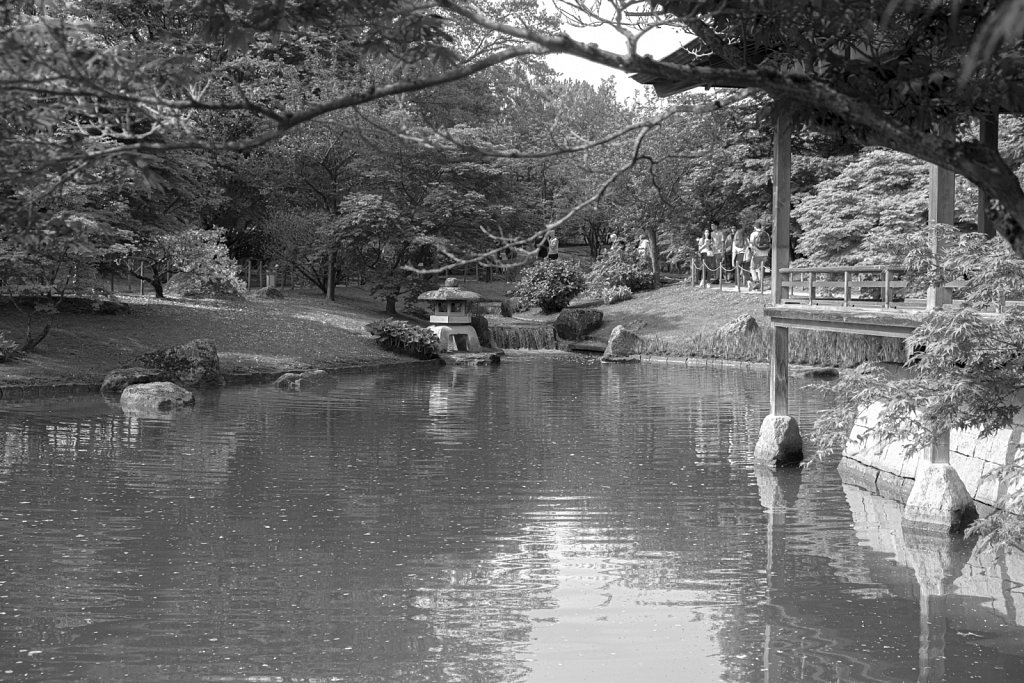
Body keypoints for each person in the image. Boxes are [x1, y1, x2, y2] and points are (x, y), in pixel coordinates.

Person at [748, 222, 772, 291]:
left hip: (756, 254)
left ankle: (756, 281)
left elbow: (751, 245)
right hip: (765, 254)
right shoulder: (766, 234)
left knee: (752, 268)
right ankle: (760, 285)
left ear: (755, 227)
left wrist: (751, 253)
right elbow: (769, 244)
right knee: (760, 269)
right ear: (760, 227)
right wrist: (767, 252)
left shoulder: (753, 234)